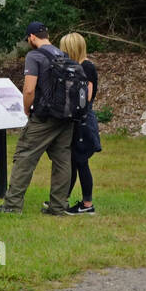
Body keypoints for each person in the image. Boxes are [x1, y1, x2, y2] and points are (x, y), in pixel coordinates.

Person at [0, 21, 75, 215]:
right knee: (62, 160)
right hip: (66, 116)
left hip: (44, 117)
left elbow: (29, 89)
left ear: (33, 37)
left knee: (24, 157)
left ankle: (11, 206)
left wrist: (27, 109)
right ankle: (58, 206)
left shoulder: (34, 56)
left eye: (28, 39)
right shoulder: (64, 55)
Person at [60, 32, 100, 214]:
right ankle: (62, 199)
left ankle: (87, 204)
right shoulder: (74, 67)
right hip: (75, 120)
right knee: (72, 162)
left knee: (81, 161)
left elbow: (86, 97)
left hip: (84, 122)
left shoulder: (87, 67)